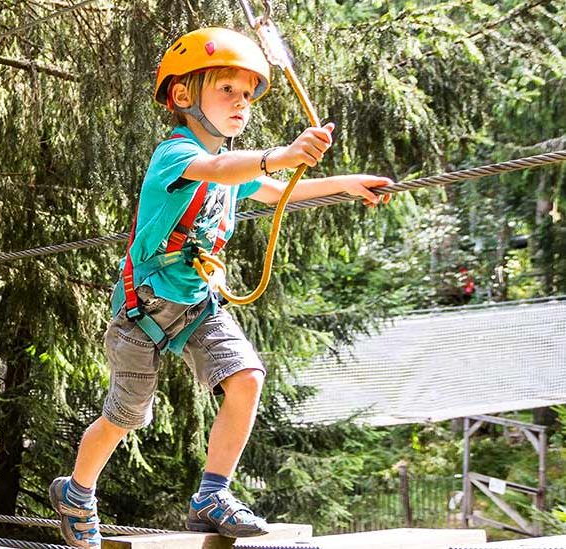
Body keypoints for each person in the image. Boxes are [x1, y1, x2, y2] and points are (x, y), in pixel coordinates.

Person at [49, 27, 393, 546]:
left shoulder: (236, 167)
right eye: (226, 90)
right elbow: (218, 167)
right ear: (184, 96)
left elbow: (277, 192)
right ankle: (77, 492)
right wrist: (279, 154)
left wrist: (345, 183)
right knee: (124, 417)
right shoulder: (176, 155)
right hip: (143, 312)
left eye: (248, 94)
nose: (242, 102)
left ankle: (212, 493)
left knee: (247, 376)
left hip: (196, 306)